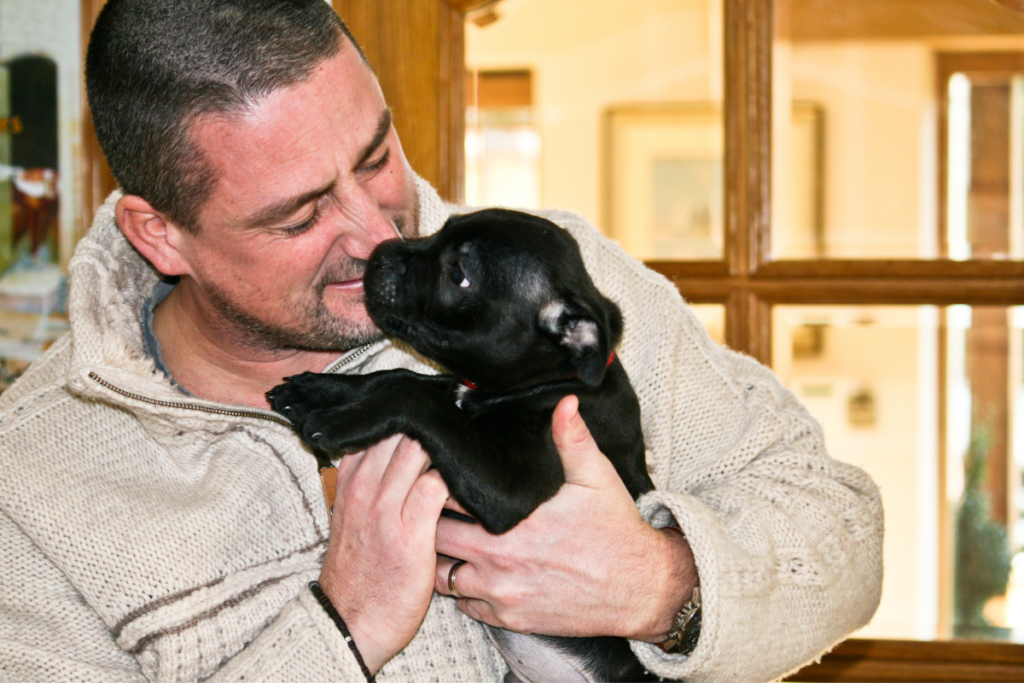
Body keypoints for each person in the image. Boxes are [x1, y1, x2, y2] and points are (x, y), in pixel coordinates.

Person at [0, 0, 884, 681]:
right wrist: (338, 629)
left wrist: (657, 582)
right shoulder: (34, 481)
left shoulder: (539, 283)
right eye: (302, 215)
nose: (374, 233)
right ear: (161, 235)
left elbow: (841, 528)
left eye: (376, 156)